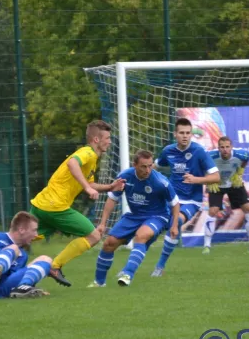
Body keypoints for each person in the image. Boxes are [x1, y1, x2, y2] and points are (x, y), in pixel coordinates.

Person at [29, 120, 126, 287]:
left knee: (25, 238)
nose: (110, 142)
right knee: (94, 236)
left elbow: (91, 183)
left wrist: (110, 186)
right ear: (96, 139)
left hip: (41, 203)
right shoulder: (87, 153)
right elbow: (72, 163)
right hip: (55, 206)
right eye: (107, 138)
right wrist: (87, 188)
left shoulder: (92, 159)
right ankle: (54, 266)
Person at [88, 150, 180, 287]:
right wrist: (102, 223)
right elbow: (112, 199)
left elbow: (175, 203)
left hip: (157, 216)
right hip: (134, 216)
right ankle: (99, 282)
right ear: (135, 165)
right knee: (109, 243)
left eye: (150, 166)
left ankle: (127, 274)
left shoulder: (161, 182)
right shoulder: (125, 177)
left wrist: (174, 226)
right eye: (144, 166)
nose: (148, 170)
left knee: (141, 236)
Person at [150, 117, 220, 277]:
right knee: (151, 228)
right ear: (175, 134)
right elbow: (154, 166)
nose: (185, 136)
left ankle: (160, 266)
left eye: (188, 133)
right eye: (181, 133)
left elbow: (216, 177)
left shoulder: (199, 151)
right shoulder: (168, 151)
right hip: (172, 198)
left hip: (192, 201)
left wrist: (197, 179)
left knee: (178, 221)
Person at [203, 136, 249, 254]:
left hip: (234, 183)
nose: (225, 149)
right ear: (218, 148)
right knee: (213, 210)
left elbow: (246, 160)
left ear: (231, 147)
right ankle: (207, 246)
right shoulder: (209, 155)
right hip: (217, 184)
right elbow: (202, 165)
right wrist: (208, 179)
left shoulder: (241, 155)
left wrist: (239, 173)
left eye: (227, 147)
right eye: (222, 147)